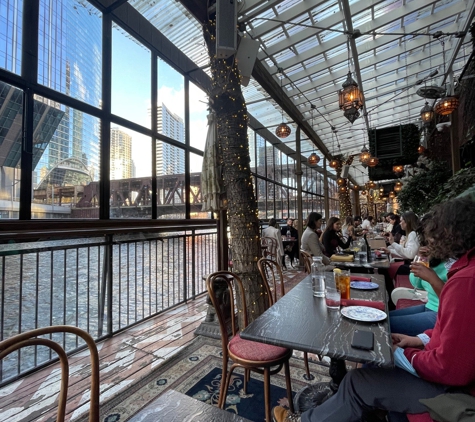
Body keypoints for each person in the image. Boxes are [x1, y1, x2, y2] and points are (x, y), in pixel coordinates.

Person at [272, 196, 475, 422]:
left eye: (436, 230)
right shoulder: (464, 274)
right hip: (444, 367)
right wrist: (419, 341)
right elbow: (453, 335)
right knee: (376, 329)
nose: (430, 237)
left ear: (451, 232)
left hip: (457, 391)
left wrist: (402, 353)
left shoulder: (465, 281)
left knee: (373, 339)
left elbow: (450, 365)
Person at [389, 214, 449, 335]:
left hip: (441, 315)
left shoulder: (451, 263)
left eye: (433, 236)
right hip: (430, 306)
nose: (430, 241)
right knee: (384, 316)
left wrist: (432, 278)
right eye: (427, 237)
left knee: (384, 324)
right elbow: (417, 284)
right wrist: (421, 259)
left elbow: (453, 302)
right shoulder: (436, 258)